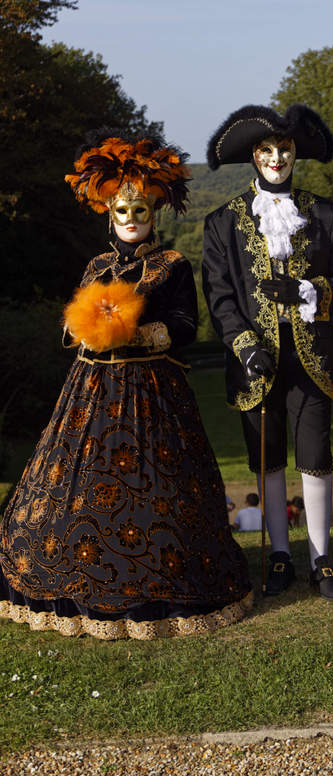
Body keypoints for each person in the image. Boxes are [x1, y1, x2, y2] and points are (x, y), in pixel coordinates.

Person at [0, 132, 252, 640]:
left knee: (153, 488)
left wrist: (136, 332)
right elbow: (72, 321)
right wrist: (77, 327)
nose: (132, 219)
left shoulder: (173, 265)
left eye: (140, 210)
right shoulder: (96, 266)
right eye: (122, 211)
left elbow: (185, 323)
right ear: (108, 214)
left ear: (154, 212)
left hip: (152, 392)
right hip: (90, 391)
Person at [203, 104, 333, 600]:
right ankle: (279, 556)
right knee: (266, 460)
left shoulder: (326, 214)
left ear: (296, 154)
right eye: (267, 150)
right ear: (253, 156)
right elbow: (220, 295)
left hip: (312, 355)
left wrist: (310, 290)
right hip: (256, 361)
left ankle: (320, 560)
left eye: (285, 149)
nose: (276, 158)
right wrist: (246, 347)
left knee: (315, 455)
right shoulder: (222, 223)